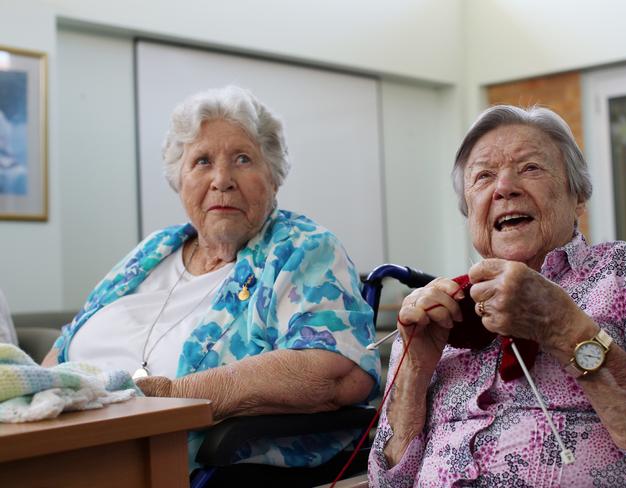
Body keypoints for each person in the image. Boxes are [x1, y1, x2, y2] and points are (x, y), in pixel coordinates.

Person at [42, 86, 380, 470]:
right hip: (59, 435)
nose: (222, 179)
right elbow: (65, 344)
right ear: (179, 179)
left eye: (242, 159)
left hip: (149, 457)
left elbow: (337, 371)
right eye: (202, 161)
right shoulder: (155, 249)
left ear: (273, 176)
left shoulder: (302, 249)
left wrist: (172, 395)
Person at [369, 105, 626, 486]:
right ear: (470, 211)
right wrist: (416, 368)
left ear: (578, 197)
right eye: (483, 176)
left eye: (530, 168)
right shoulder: (443, 311)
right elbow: (386, 481)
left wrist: (564, 329)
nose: (504, 188)